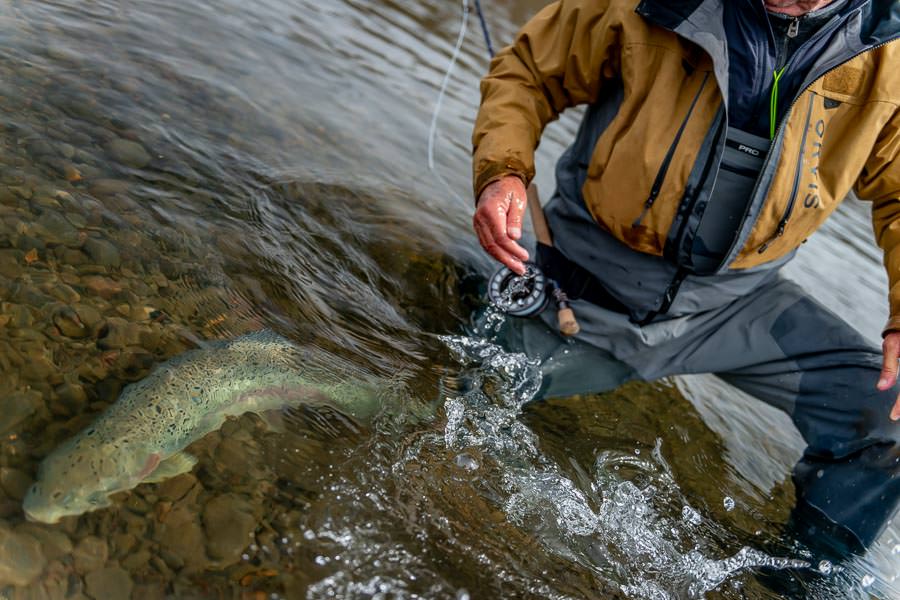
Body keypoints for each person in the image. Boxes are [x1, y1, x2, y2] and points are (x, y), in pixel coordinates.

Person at [470, 0, 900, 557]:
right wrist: (501, 172)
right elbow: (527, 72)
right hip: (585, 280)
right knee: (451, 401)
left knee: (888, 422)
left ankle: (796, 578)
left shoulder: (887, 48)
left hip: (739, 305)